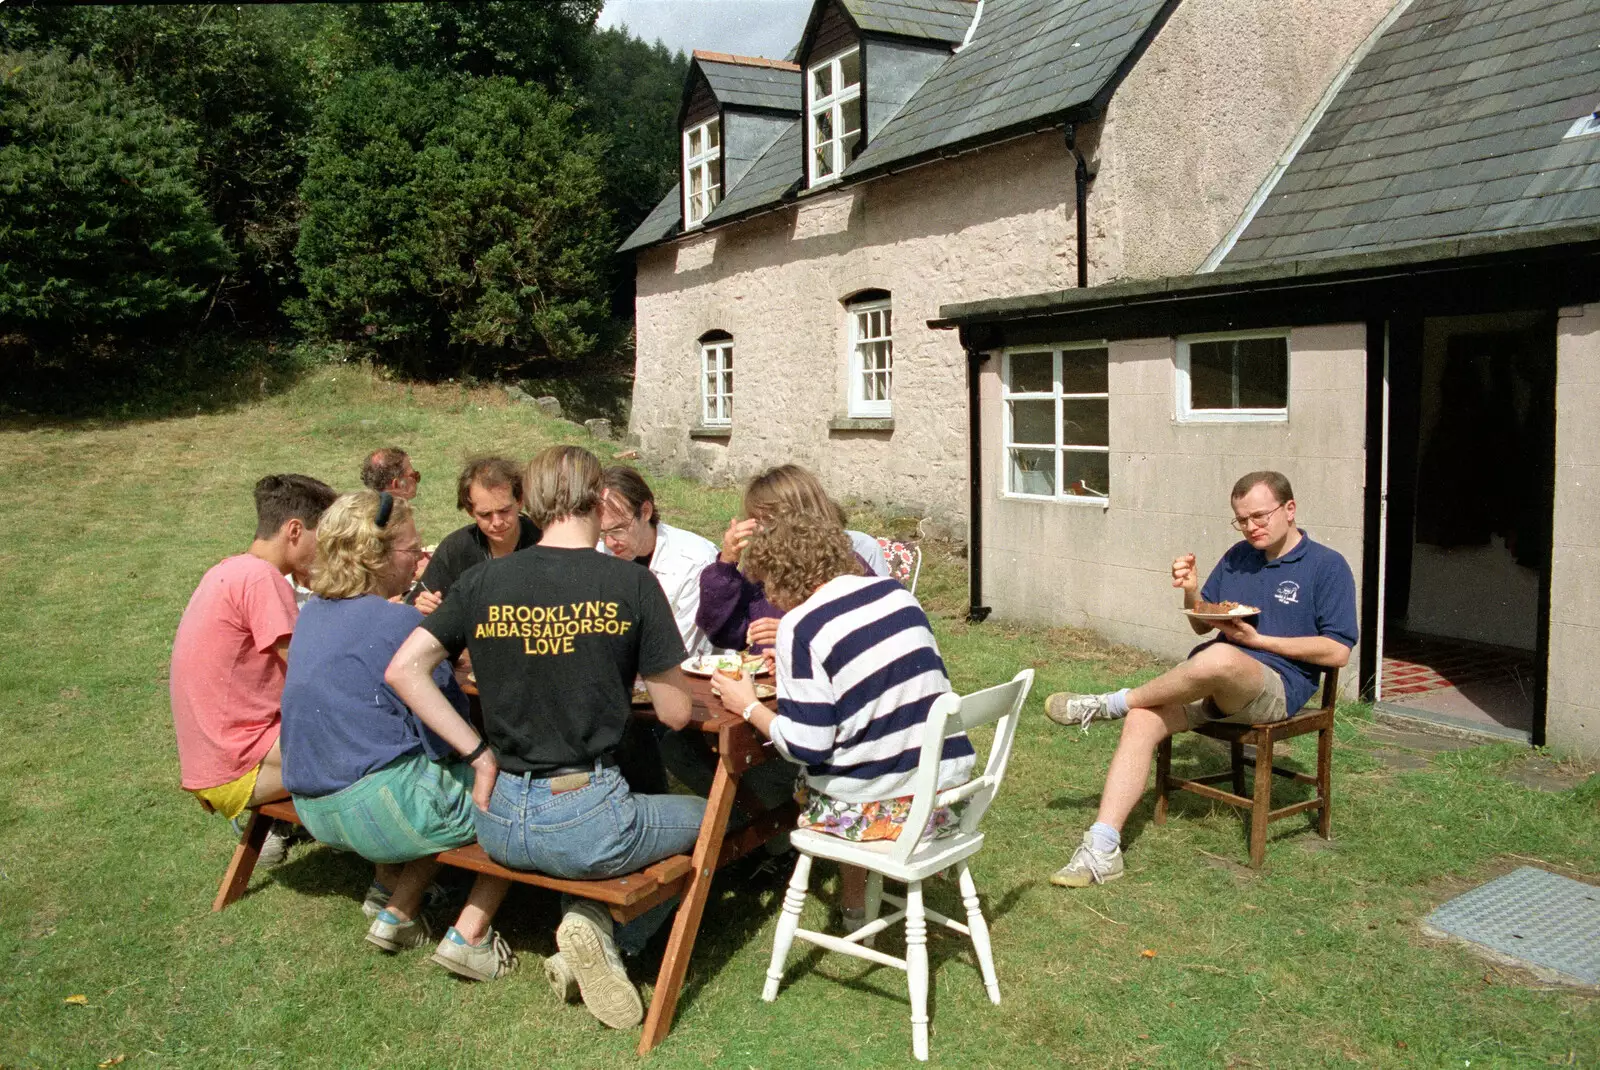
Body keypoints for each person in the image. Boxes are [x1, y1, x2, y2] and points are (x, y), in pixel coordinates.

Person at [387, 445, 706, 1030]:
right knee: (714, 819)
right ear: (595, 498)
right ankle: (604, 927)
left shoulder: (481, 579)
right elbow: (677, 714)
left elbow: (403, 669)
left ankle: (586, 929)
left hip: (500, 817)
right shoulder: (632, 584)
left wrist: (478, 754)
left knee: (622, 817)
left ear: (531, 503)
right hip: (586, 816)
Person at [1043, 470, 1357, 888]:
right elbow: (1201, 625)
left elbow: (1338, 650)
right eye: (1241, 520)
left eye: (1259, 516)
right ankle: (1102, 849)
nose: (1251, 527)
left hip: (1275, 690)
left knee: (1222, 657)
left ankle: (1111, 703)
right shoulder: (1238, 556)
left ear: (1290, 509)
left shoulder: (1326, 566)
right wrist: (1191, 592)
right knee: (1144, 720)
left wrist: (1260, 639)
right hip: (1214, 682)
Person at [279, 490, 515, 979]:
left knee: (426, 783)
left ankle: (398, 911)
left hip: (312, 808)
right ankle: (469, 934)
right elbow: (448, 737)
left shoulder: (311, 615)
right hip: (379, 812)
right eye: (413, 548)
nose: (423, 557)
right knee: (515, 790)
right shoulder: (400, 622)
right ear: (376, 556)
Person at [710, 512, 975, 927]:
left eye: (766, 584)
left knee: (816, 774)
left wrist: (747, 705)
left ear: (780, 577)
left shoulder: (801, 626)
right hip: (950, 795)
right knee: (857, 751)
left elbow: (806, 745)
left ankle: (841, 896)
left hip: (883, 808)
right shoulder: (894, 594)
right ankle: (855, 905)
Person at [170, 473, 337, 867]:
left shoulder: (228, 570)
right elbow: (310, 670)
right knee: (381, 743)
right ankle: (396, 883)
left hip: (209, 760)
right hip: (238, 765)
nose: (326, 550)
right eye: (323, 538)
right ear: (295, 530)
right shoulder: (263, 579)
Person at [697, 464, 889, 653]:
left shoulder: (843, 568)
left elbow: (869, 639)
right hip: (766, 681)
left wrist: (796, 632)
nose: (761, 531)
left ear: (806, 519)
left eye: (769, 521)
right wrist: (726, 565)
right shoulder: (765, 568)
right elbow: (727, 635)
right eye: (756, 521)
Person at [597, 466, 720, 656]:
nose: (609, 542)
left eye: (618, 529)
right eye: (602, 532)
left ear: (645, 511)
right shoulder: (598, 553)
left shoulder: (694, 561)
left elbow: (679, 649)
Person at [411, 456, 540, 615]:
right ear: (470, 511)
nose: (497, 522)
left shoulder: (544, 538)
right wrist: (422, 606)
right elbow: (417, 601)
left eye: (504, 511)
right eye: (485, 515)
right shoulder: (456, 548)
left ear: (520, 501)